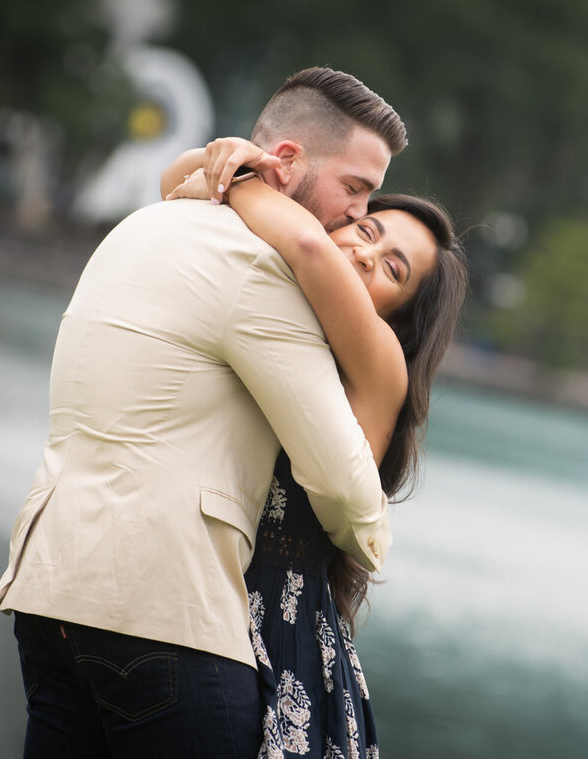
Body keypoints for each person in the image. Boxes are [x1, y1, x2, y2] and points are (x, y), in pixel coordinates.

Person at [0, 68, 414, 759]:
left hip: (46, 598)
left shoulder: (146, 223)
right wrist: (371, 536)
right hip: (166, 618)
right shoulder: (263, 271)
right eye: (356, 189)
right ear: (285, 162)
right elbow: (342, 484)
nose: (356, 215)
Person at [164, 151, 467, 757]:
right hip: (186, 603)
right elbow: (172, 186)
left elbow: (306, 246)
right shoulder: (271, 306)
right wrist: (216, 158)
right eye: (366, 230)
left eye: (392, 269)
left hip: (282, 636)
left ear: (400, 319)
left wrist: (240, 178)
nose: (363, 255)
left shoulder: (381, 368)